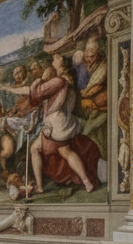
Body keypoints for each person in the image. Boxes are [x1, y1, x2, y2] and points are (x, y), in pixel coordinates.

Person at [29, 60, 101, 194]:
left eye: (54, 61)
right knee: (39, 149)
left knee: (63, 151)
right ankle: (86, 182)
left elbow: (35, 96)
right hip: (64, 121)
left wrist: (36, 82)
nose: (53, 62)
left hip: (55, 122)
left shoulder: (59, 81)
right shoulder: (69, 83)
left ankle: (41, 186)